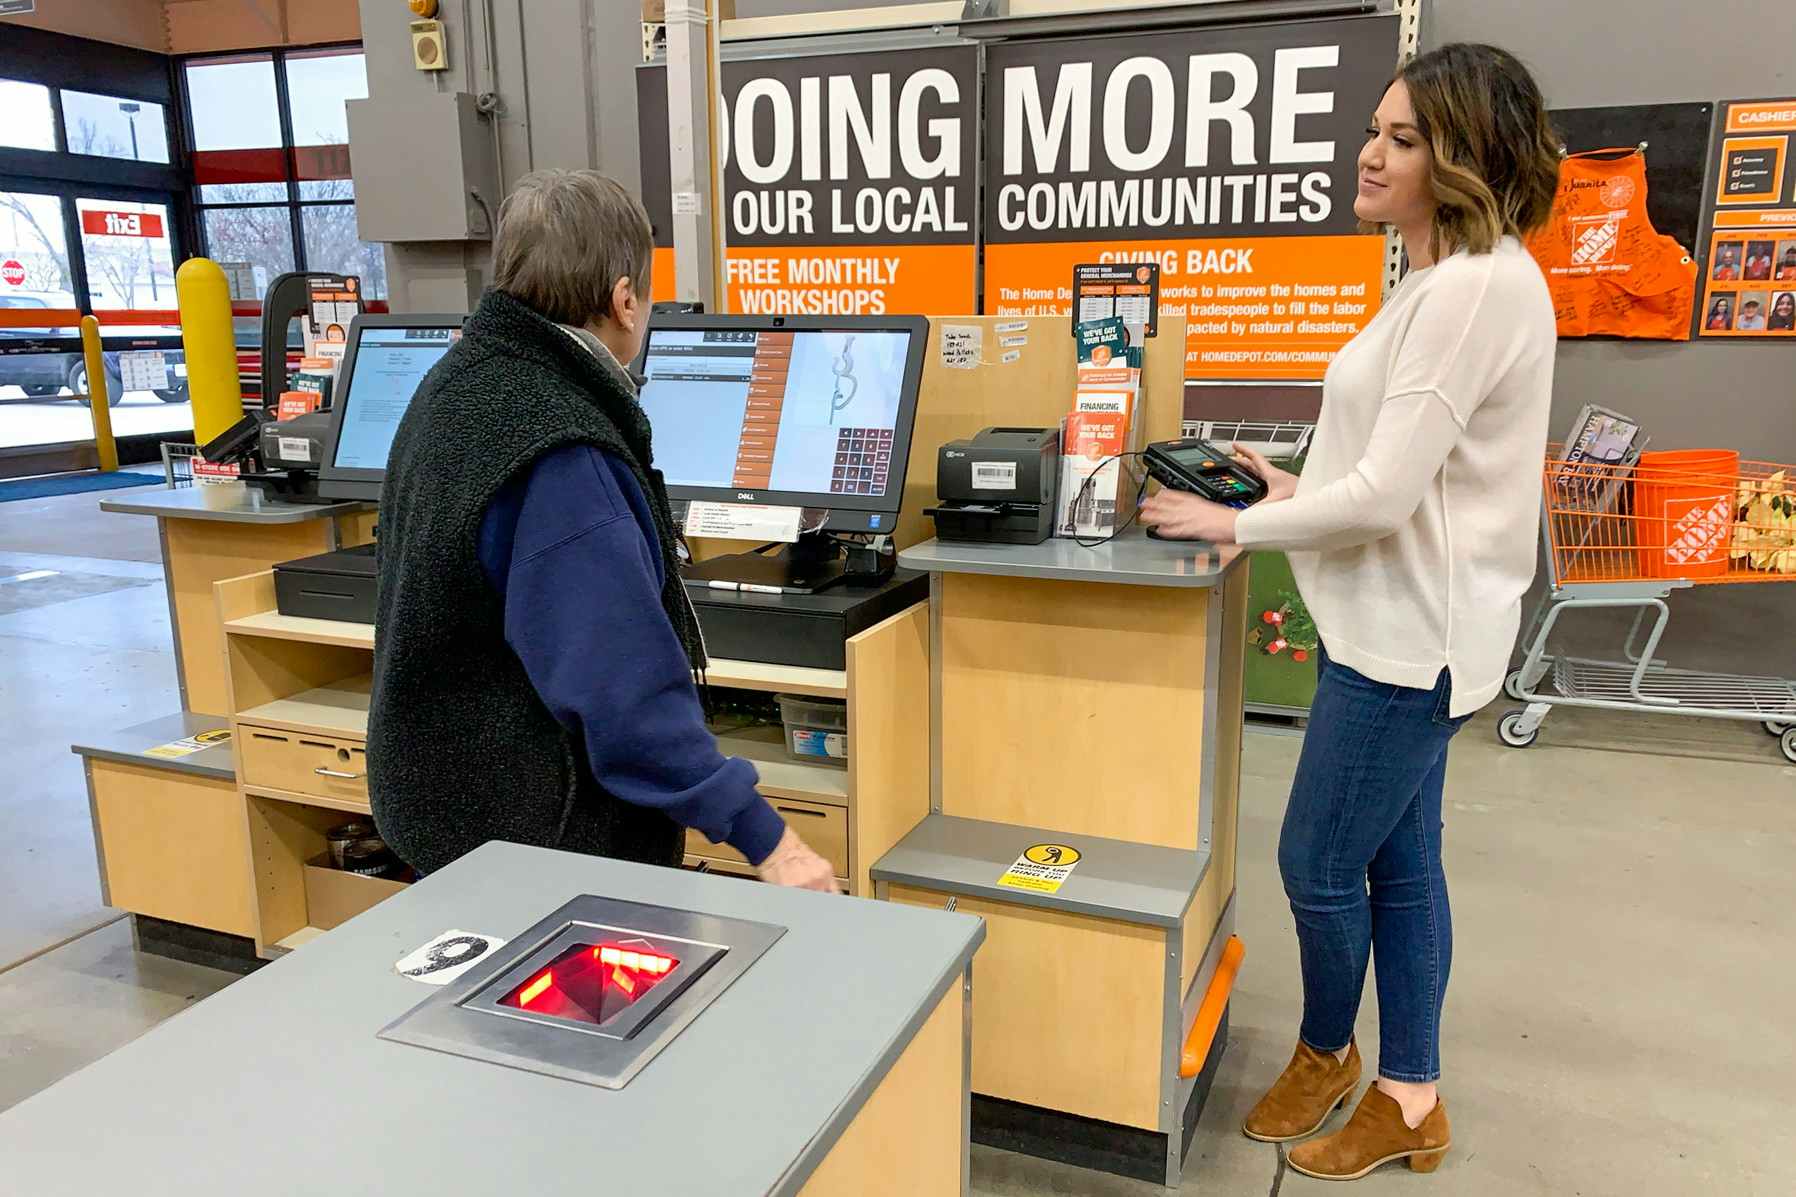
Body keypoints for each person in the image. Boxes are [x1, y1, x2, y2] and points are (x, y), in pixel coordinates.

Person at [1141, 43, 1559, 1181]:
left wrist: (1227, 525)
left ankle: (1331, 1054)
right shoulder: (1451, 278)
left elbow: (1380, 498)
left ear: (1466, 157)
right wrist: (1286, 489)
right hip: (1410, 622)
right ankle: (1411, 1099)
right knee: (1401, 866)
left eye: (1405, 139)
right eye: (1375, 129)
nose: (1371, 153)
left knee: (1318, 864)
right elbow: (1402, 469)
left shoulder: (1470, 289)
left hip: (1401, 642)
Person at [368, 170, 836, 893]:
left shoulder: (454, 386)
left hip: (447, 815)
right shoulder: (559, 451)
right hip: (538, 846)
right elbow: (625, 695)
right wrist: (770, 840)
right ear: (624, 299)